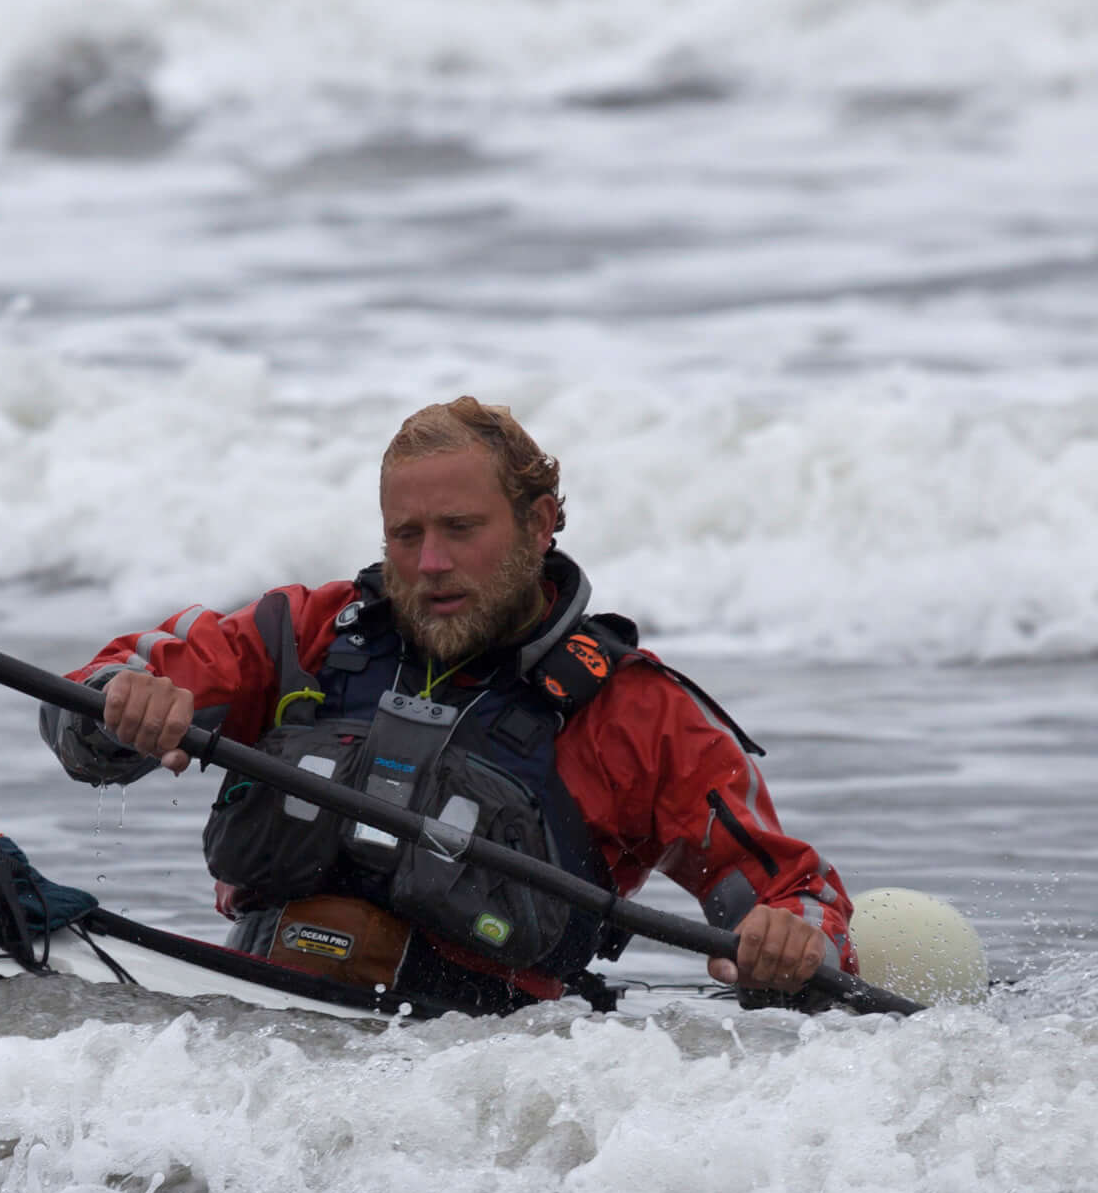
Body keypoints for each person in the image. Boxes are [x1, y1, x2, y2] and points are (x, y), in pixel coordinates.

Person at [42, 398, 857, 1012]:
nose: (429, 563)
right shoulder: (302, 632)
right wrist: (119, 705)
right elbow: (83, 706)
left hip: (478, 1091)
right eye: (406, 535)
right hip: (258, 1039)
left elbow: (800, 893)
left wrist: (794, 939)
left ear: (540, 524)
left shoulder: (642, 713)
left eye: (461, 529)